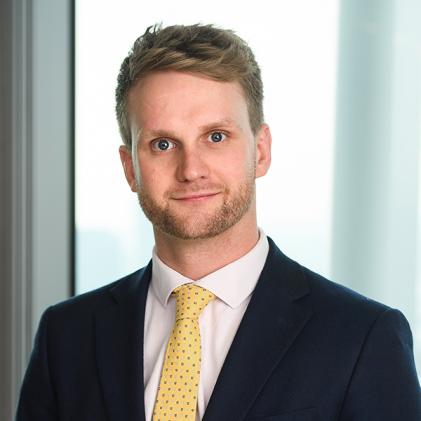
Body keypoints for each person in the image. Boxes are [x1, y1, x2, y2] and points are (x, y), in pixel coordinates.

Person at [17, 23, 421, 421]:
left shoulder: (362, 337)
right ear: (130, 168)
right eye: (163, 144)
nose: (191, 169)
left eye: (215, 137)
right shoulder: (66, 336)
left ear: (260, 151)